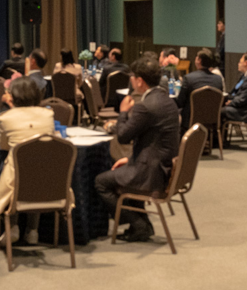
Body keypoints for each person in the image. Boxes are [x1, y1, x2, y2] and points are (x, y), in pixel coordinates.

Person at [96, 57, 179, 242]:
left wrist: (123, 111)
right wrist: (130, 159)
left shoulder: (145, 106)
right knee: (123, 170)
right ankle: (142, 225)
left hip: (150, 173)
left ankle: (137, 224)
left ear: (140, 81)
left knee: (101, 182)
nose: (131, 80)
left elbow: (123, 136)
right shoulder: (168, 101)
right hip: (162, 167)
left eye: (132, 77)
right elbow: (155, 141)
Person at [0, 76, 55, 244]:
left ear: (13, 95)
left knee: (14, 170)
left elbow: (3, 146)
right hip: (48, 178)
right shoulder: (48, 114)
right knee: (36, 170)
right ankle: (33, 230)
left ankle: (13, 227)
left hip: (16, 180)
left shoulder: (6, 117)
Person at [176, 48, 224, 134]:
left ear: (199, 60)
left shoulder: (189, 78)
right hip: (212, 119)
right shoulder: (218, 79)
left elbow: (180, 102)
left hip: (191, 120)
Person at [222, 53, 247, 126]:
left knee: (219, 112)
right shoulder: (243, 76)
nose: (238, 64)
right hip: (238, 105)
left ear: (246, 63)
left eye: (240, 62)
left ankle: (217, 132)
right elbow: (235, 92)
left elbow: (242, 99)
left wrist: (230, 102)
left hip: (243, 112)